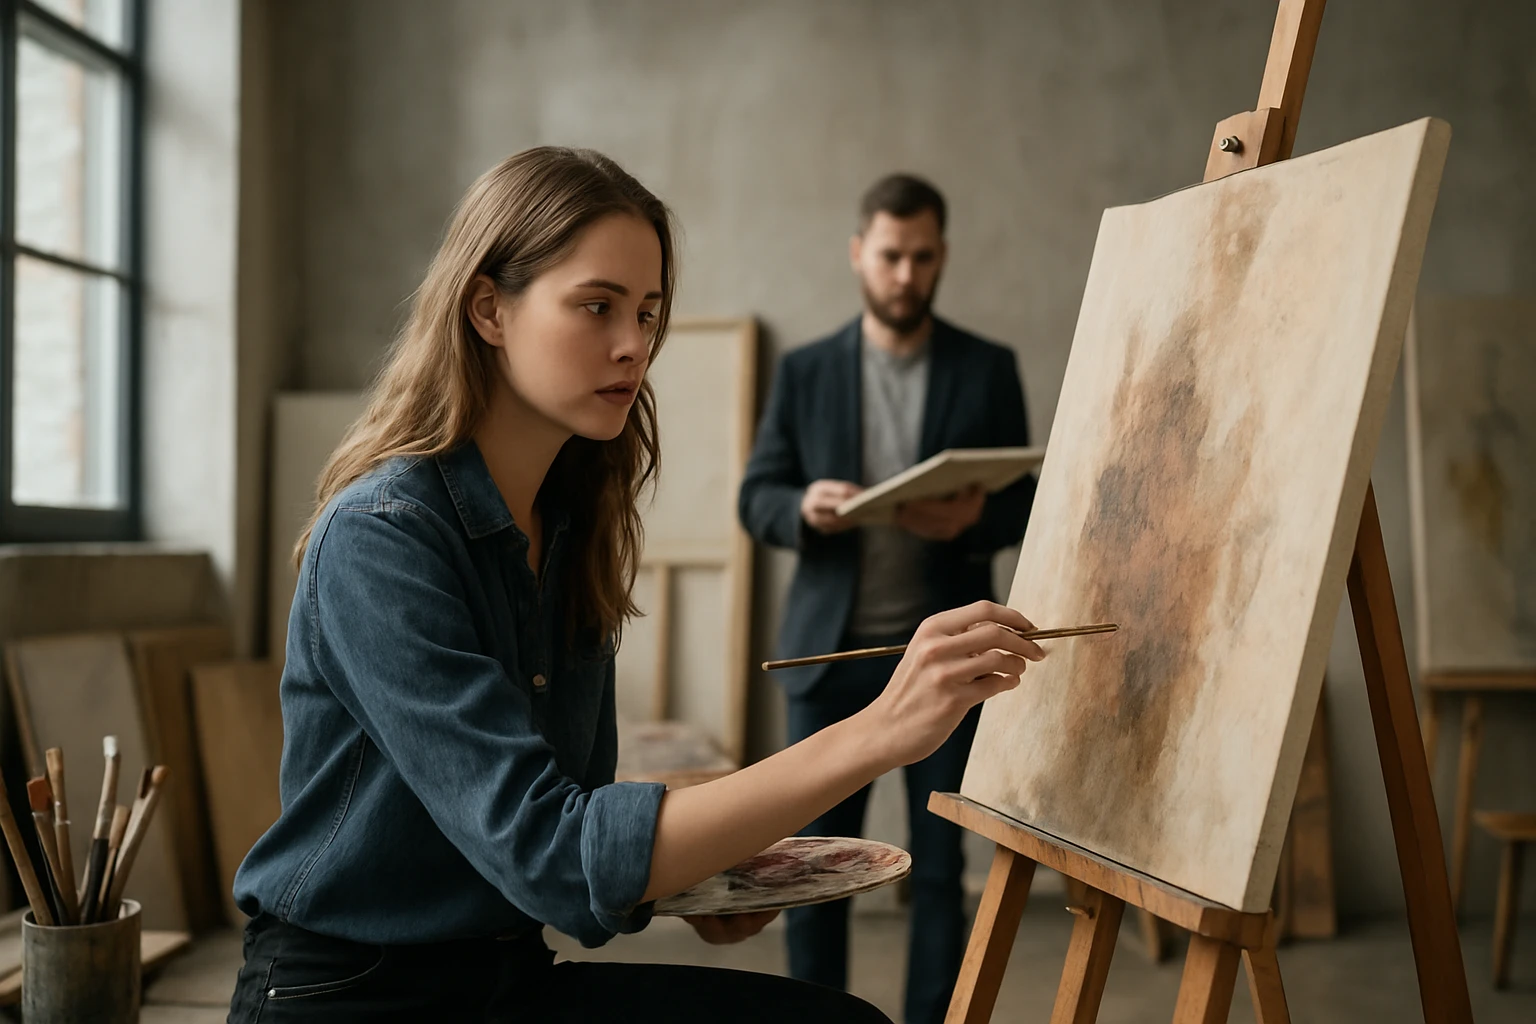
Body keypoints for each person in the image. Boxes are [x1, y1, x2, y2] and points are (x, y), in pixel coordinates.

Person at [226, 148, 1045, 1024]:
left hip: (507, 974)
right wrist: (884, 728)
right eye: (597, 305)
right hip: (347, 997)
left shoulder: (571, 525)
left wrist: (697, 882)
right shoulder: (381, 538)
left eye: (648, 312)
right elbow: (551, 848)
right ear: (489, 308)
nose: (635, 345)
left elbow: (571, 815)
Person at [737, 173, 1035, 1024]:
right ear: (859, 253)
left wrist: (978, 517)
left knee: (939, 873)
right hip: (831, 662)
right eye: (891, 255)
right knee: (814, 872)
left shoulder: (988, 368)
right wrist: (804, 507)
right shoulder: (805, 371)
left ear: (942, 257)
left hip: (949, 663)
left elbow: (1029, 498)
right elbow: (755, 496)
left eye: (923, 257)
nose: (907, 274)